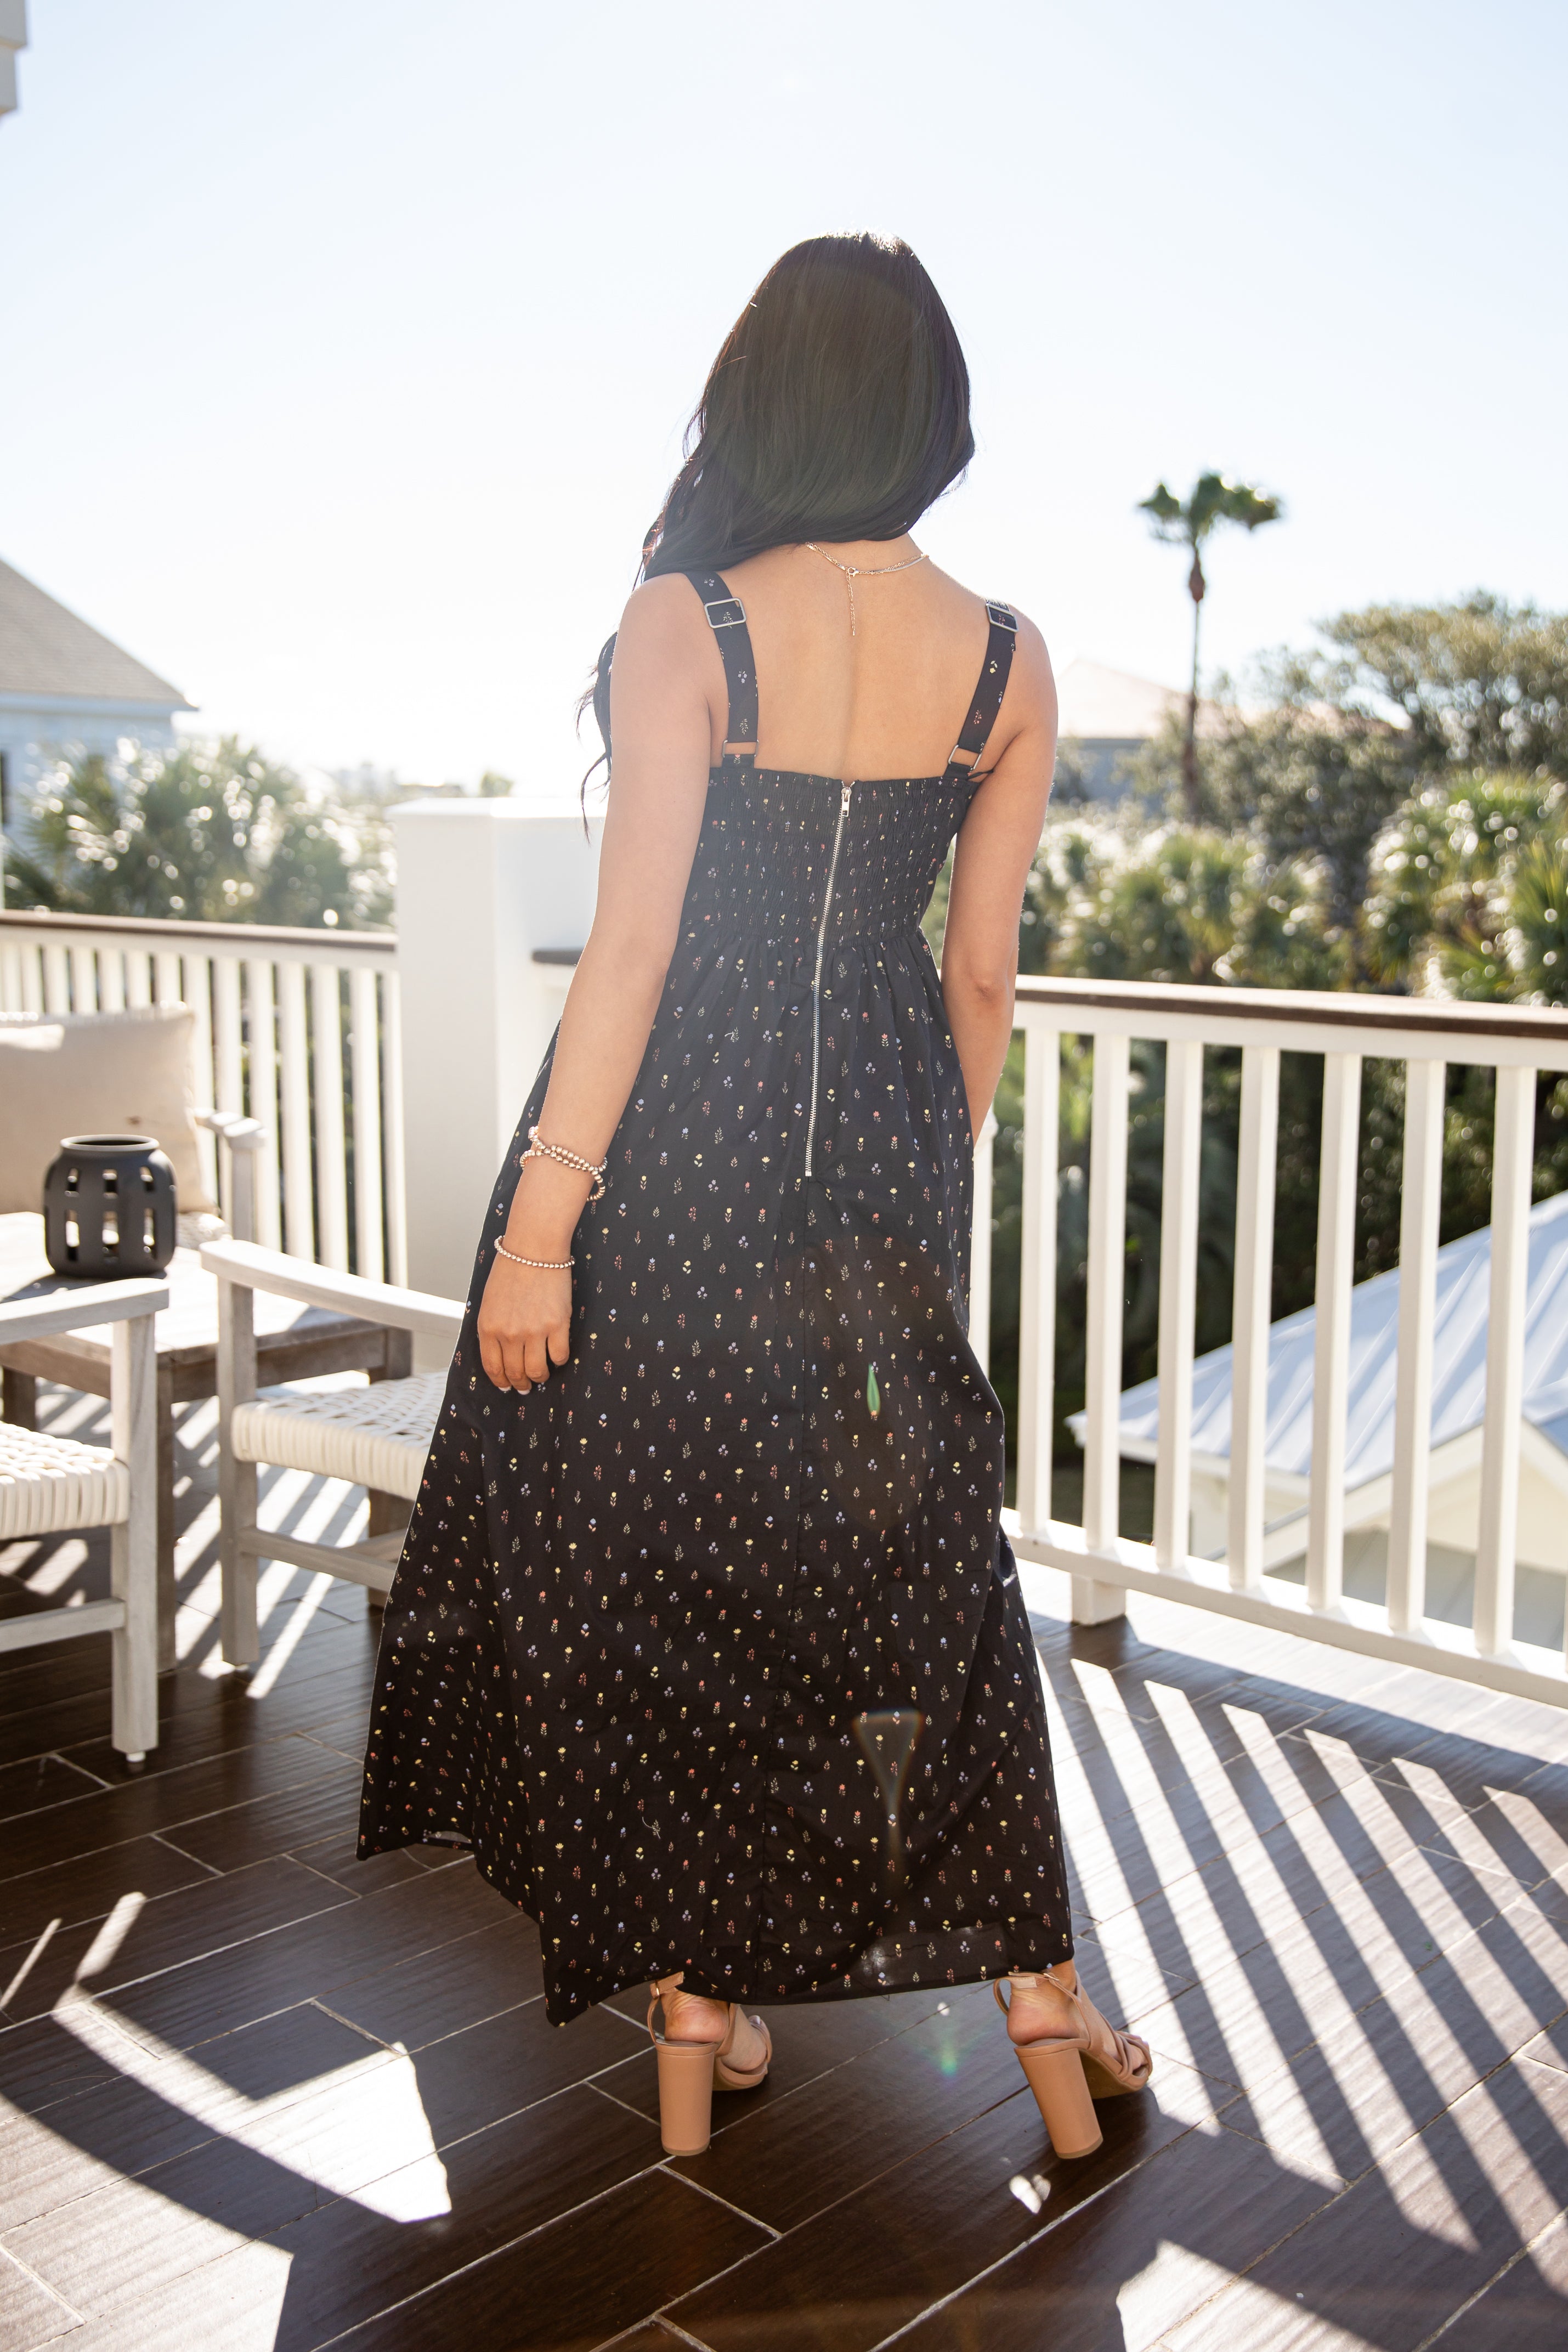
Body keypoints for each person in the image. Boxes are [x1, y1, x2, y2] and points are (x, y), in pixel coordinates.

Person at [359, 230, 1151, 2163]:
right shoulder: (1009, 657)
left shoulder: (684, 621)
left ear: (766, 398)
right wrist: (916, 1169)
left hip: (666, 1160)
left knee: (654, 1556)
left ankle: (694, 2010)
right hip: (888, 1150)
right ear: (932, 414)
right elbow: (981, 977)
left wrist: (540, 1230)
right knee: (916, 1571)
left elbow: (629, 952)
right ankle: (1041, 2016)